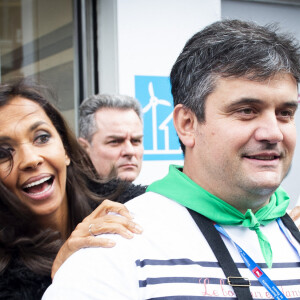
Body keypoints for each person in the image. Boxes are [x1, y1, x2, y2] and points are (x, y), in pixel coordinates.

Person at [44, 19, 300, 299]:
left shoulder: (291, 230)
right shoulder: (114, 246)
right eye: (247, 110)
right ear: (187, 124)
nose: (273, 132)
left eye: (285, 113)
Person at [0, 77, 146, 300]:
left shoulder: (134, 205)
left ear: (66, 149)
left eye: (41, 137)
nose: (30, 159)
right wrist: (61, 279)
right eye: (3, 153)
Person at [78, 94, 144, 182]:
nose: (130, 151)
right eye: (115, 142)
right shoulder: (66, 195)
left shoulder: (154, 195)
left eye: (135, 141)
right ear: (84, 149)